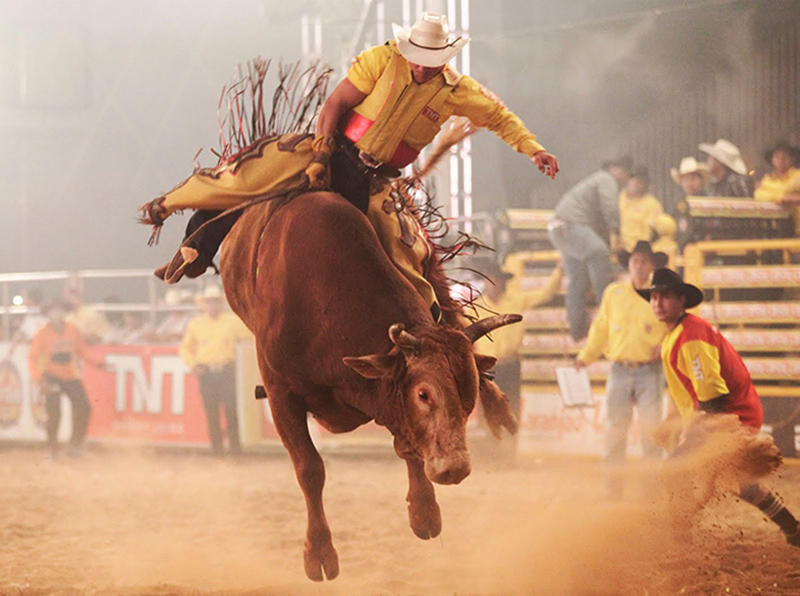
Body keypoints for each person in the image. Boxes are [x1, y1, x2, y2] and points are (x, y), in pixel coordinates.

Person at [143, 12, 559, 322]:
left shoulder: (458, 91)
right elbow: (336, 104)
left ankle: (427, 322)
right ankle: (195, 246)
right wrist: (321, 153)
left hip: (372, 179)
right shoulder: (382, 60)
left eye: (428, 59)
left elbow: (500, 116)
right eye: (416, 56)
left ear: (443, 59)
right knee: (249, 177)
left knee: (401, 251)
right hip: (332, 150)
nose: (419, 65)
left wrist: (532, 148)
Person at [637, 268, 800, 547]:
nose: (657, 303)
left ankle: (681, 540)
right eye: (653, 297)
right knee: (737, 481)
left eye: (665, 296)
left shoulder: (691, 336)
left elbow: (712, 395)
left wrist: (694, 435)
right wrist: (675, 419)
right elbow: (691, 390)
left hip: (729, 415)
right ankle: (792, 528)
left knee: (675, 469)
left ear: (681, 300)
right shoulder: (681, 334)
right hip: (724, 412)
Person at [575, 241, 668, 498]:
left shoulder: (661, 294)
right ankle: (612, 492)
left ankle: (650, 494)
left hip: (650, 371)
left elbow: (675, 326)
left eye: (644, 261)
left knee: (651, 435)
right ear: (629, 264)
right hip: (619, 369)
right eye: (635, 260)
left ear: (652, 266)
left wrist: (665, 346)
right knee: (615, 434)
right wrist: (586, 356)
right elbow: (600, 328)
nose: (638, 265)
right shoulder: (614, 293)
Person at [473, 255, 563, 460]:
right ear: (486, 281)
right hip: (487, 366)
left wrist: (559, 272)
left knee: (510, 411)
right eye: (490, 279)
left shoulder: (515, 300)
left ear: (503, 282)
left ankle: (507, 456)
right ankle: (490, 456)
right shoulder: (475, 307)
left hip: (509, 364)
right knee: (488, 413)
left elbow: (546, 294)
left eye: (496, 279)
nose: (493, 283)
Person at [548, 157, 632, 341]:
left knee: (579, 279)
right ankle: (607, 314)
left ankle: (577, 330)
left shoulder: (594, 183)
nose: (625, 178)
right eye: (624, 172)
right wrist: (616, 233)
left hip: (560, 229)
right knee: (600, 254)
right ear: (614, 168)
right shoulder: (606, 179)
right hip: (572, 227)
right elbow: (610, 208)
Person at [27, 298, 107, 459]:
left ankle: (75, 445)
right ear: (47, 314)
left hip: (70, 375)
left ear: (65, 312)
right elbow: (32, 358)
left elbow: (81, 350)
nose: (57, 314)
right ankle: (52, 448)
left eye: (60, 310)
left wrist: (98, 363)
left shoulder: (72, 329)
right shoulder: (41, 333)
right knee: (54, 413)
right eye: (53, 310)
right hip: (50, 376)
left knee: (84, 407)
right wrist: (40, 380)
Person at [179, 285, 252, 456]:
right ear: (204, 304)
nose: (212, 305)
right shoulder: (196, 324)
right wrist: (193, 363)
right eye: (209, 302)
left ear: (221, 303)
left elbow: (250, 336)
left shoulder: (232, 322)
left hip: (227, 371)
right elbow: (185, 348)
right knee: (211, 413)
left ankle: (235, 452)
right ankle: (217, 452)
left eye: (215, 302)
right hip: (206, 373)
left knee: (231, 411)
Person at [754, 141, 800, 234]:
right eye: (777, 157)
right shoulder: (768, 179)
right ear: (772, 159)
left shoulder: (797, 175)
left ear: (793, 159)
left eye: (785, 156)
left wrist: (768, 189)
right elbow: (758, 195)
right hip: (775, 229)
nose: (781, 160)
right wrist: (782, 197)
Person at [618, 167, 663, 251]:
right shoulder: (618, 199)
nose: (639, 184)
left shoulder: (652, 204)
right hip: (617, 249)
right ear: (628, 181)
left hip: (638, 250)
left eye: (643, 182)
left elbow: (651, 231)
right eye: (636, 181)